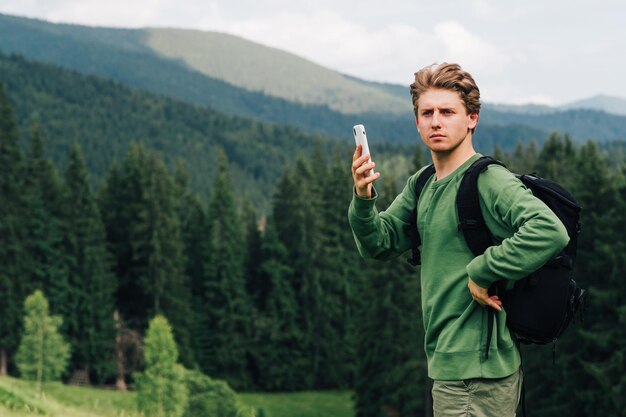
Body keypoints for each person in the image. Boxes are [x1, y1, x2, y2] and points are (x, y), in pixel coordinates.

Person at [348, 62, 569, 417]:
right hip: (453, 367)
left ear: (472, 119)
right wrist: (363, 197)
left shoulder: (487, 180)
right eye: (427, 112)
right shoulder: (423, 183)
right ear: (417, 121)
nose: (436, 121)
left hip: (476, 376)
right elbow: (378, 243)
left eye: (448, 111)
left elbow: (549, 229)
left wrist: (481, 271)